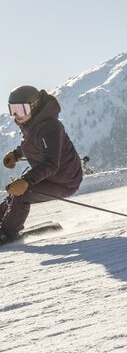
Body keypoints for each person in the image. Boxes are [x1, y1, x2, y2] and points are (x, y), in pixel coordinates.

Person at [0, 85, 83, 243]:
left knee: (23, 193)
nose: (17, 115)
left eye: (21, 109)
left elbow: (51, 164)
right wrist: (16, 154)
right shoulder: (31, 124)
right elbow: (33, 144)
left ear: (34, 105)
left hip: (65, 181)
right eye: (13, 110)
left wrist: (26, 181)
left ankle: (6, 233)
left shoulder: (49, 127)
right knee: (13, 194)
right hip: (50, 177)